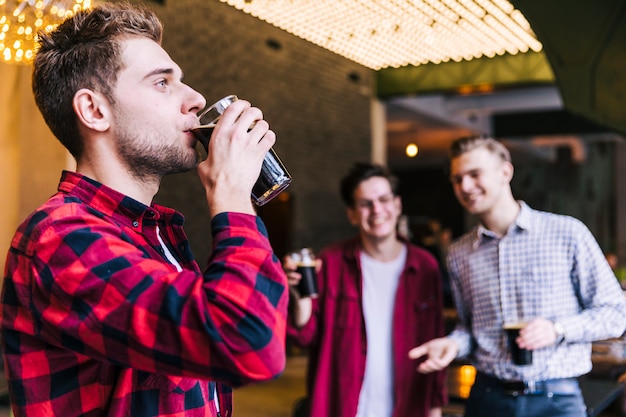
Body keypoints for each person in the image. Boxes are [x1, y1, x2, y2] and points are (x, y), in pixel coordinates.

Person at [0, 3, 288, 417]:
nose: (196, 98)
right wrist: (231, 197)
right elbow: (248, 343)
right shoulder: (60, 238)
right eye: (162, 83)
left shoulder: (150, 233)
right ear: (94, 111)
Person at [409, 136, 626, 417]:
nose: (465, 186)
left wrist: (557, 329)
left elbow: (616, 313)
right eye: (457, 179)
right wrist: (453, 343)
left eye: (475, 174)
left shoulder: (567, 233)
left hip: (556, 399)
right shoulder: (459, 254)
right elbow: (470, 329)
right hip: (487, 398)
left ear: (505, 172)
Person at [286, 162, 447, 417]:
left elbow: (436, 342)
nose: (377, 210)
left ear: (397, 205)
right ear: (352, 214)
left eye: (384, 199)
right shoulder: (331, 262)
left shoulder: (425, 266)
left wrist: (435, 410)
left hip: (408, 407)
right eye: (365, 203)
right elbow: (304, 337)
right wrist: (299, 295)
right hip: (342, 406)